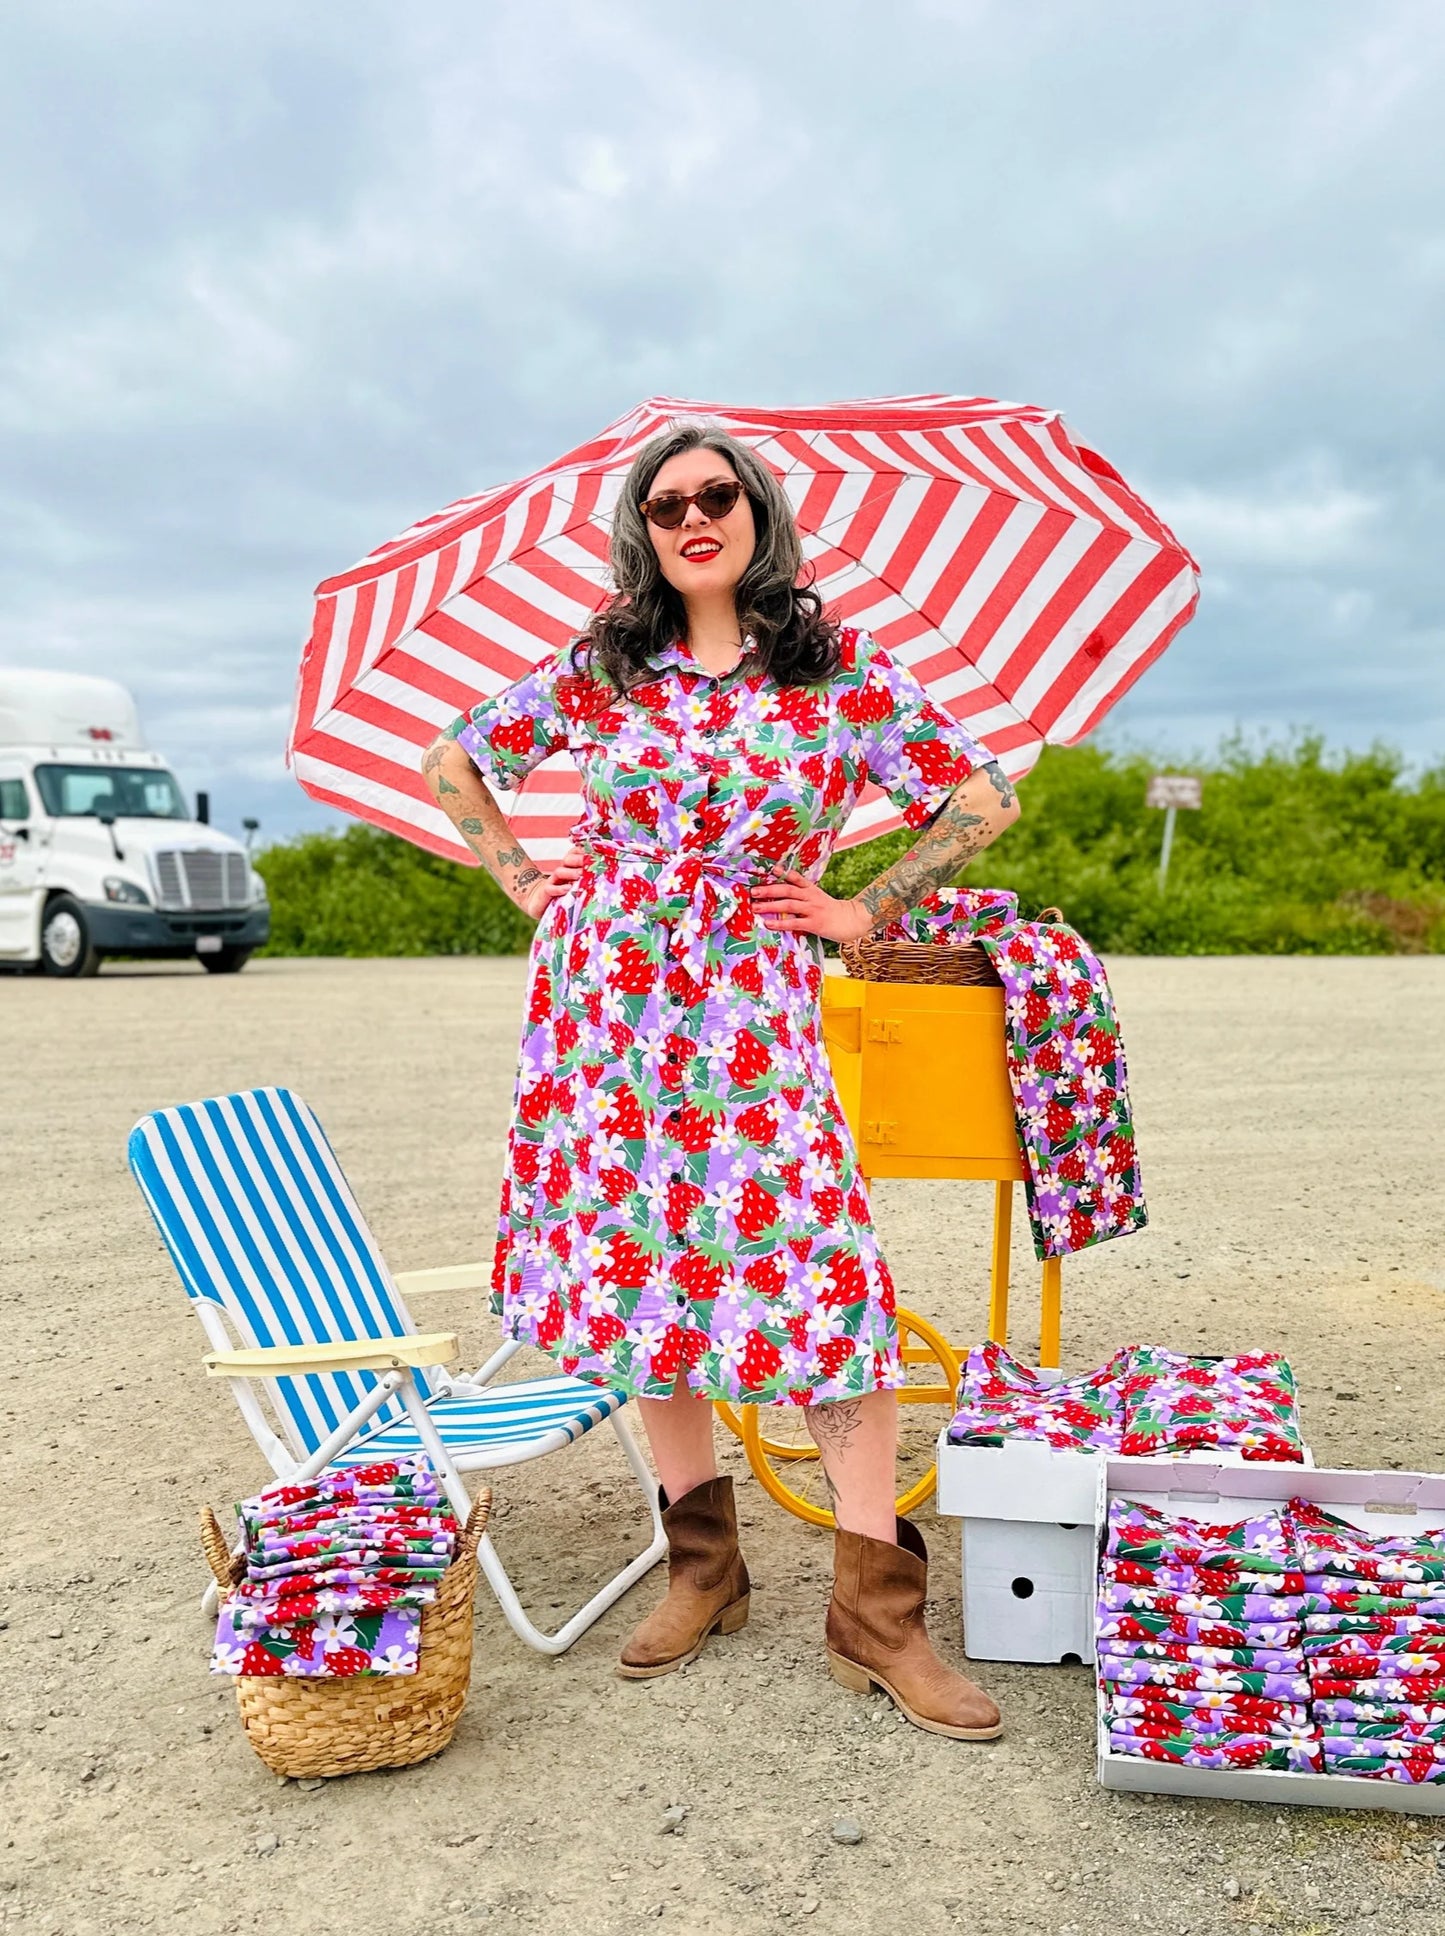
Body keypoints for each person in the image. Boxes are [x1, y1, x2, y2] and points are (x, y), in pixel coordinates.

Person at [422, 422, 1020, 1739]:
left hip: (752, 1007)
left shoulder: (837, 671)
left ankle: (875, 1614)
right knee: (644, 1272)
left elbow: (978, 802)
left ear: (758, 512)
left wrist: (867, 900)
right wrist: (522, 875)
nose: (693, 517)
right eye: (666, 502)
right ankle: (706, 1568)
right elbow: (454, 763)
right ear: (643, 531)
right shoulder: (604, 668)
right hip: (605, 1013)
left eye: (717, 495)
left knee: (826, 1283)